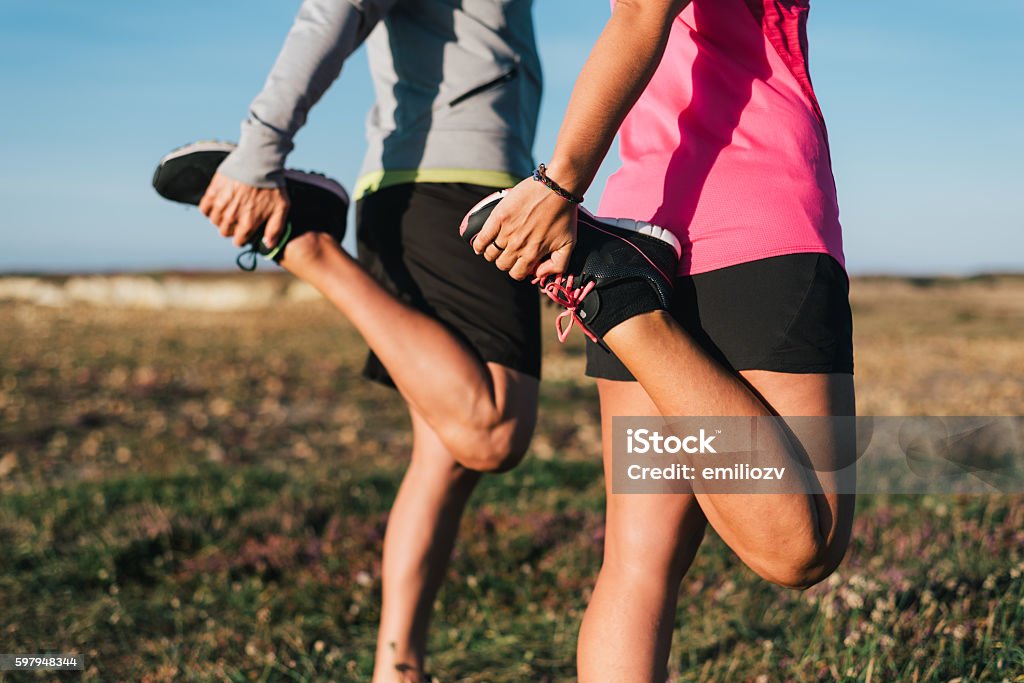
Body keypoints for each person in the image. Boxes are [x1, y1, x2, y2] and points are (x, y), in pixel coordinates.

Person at [465, 0, 856, 679]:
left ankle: (617, 292)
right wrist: (559, 183)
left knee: (638, 562)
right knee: (803, 542)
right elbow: (641, 13)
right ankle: (620, 301)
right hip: (756, 217)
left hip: (643, 222)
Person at [194, 1, 542, 680]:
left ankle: (398, 667)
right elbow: (336, 8)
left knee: (446, 457)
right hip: (446, 185)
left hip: (464, 178)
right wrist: (260, 148)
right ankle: (308, 247)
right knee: (493, 428)